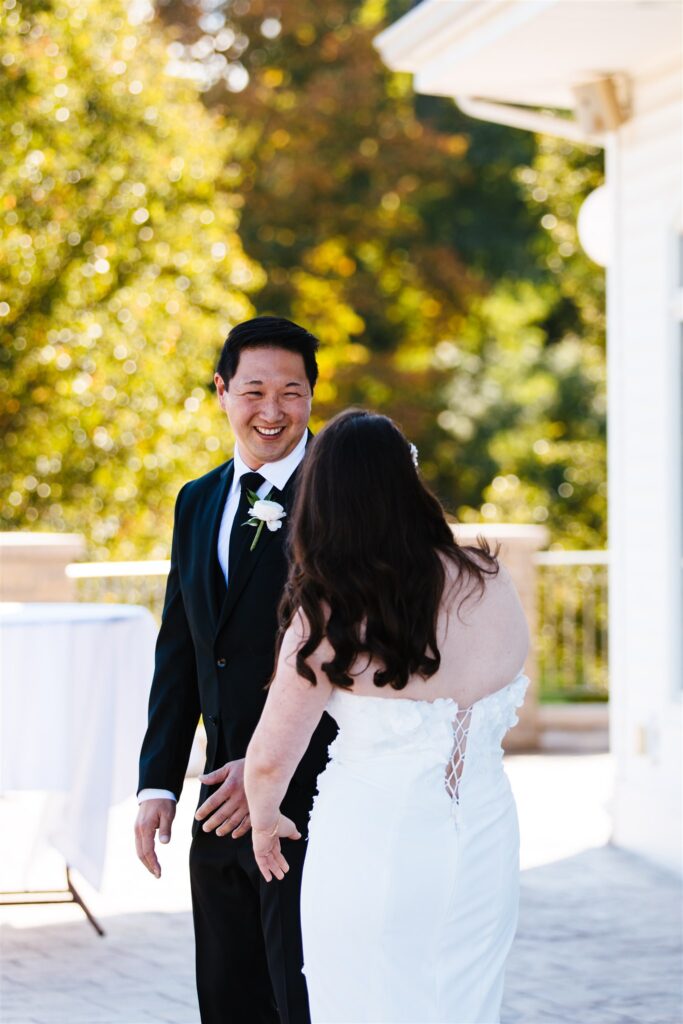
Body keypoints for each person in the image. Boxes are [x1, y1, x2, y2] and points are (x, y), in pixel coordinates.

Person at [244, 408, 530, 1024]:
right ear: (409, 482)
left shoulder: (330, 608)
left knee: (364, 1000)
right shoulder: (490, 580)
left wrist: (264, 824)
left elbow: (268, 759)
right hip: (486, 834)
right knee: (465, 1001)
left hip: (373, 845)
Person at [135, 316, 336, 1024]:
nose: (273, 411)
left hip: (311, 795)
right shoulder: (195, 500)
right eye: (254, 391)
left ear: (314, 395)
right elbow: (182, 648)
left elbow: (359, 660)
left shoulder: (342, 499)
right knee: (227, 990)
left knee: (301, 993)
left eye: (293, 392)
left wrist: (272, 768)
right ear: (221, 391)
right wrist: (157, 781)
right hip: (217, 797)